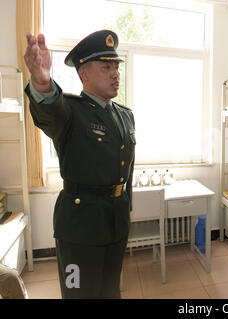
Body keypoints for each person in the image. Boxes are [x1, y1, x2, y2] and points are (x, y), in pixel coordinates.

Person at [23, 30, 135, 298]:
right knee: (79, 294)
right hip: (80, 229)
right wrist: (41, 82)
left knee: (109, 292)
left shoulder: (125, 115)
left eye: (116, 66)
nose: (115, 73)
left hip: (115, 223)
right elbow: (49, 110)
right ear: (83, 74)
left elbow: (126, 172)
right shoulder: (70, 111)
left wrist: (126, 210)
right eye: (106, 67)